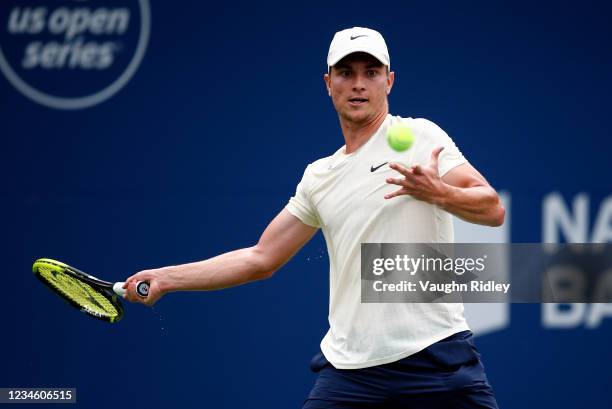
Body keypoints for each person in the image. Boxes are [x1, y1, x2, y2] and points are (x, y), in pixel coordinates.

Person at [124, 26, 505, 409]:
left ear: (389, 82)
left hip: (435, 360)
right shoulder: (318, 177)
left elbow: (492, 208)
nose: (359, 84)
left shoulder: (420, 136)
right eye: (346, 73)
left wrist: (441, 193)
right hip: (351, 373)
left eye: (371, 73)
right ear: (328, 83)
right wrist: (166, 279)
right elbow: (261, 258)